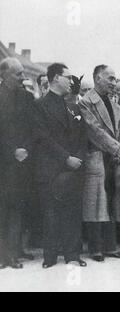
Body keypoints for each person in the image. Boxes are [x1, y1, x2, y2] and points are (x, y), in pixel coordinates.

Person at [31, 63, 87, 268]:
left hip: (74, 167)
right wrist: (66, 158)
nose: (71, 82)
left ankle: (72, 254)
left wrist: (78, 158)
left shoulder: (73, 106)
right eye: (68, 77)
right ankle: (50, 256)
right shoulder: (39, 106)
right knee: (51, 213)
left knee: (73, 212)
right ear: (55, 78)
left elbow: (83, 136)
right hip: (51, 168)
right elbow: (42, 138)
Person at [79, 65, 120, 262]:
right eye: (110, 78)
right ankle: (95, 248)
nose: (114, 82)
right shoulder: (86, 102)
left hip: (113, 157)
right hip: (97, 156)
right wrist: (117, 148)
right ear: (98, 78)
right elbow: (93, 130)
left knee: (111, 201)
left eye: (115, 79)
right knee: (95, 203)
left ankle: (110, 246)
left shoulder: (114, 104)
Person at [0, 58, 34, 269]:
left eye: (22, 73)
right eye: (17, 74)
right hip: (3, 161)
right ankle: (4, 253)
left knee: (18, 205)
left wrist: (25, 149)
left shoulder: (27, 97)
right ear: (3, 75)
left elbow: (34, 128)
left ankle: (15, 250)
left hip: (23, 161)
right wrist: (12, 151)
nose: (23, 77)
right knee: (4, 207)